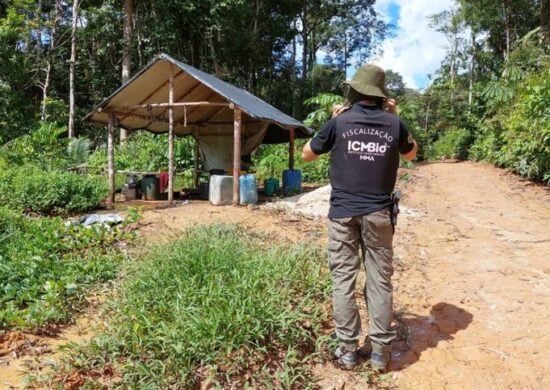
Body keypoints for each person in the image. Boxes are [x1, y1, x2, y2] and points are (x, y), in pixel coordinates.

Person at [302, 64, 417, 372]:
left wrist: (334, 121)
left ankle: (347, 351)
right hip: (379, 213)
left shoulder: (339, 122)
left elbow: (307, 153)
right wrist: (395, 115)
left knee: (343, 278)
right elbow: (411, 154)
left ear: (353, 92)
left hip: (342, 214)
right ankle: (380, 353)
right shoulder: (394, 124)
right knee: (379, 280)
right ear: (382, 97)